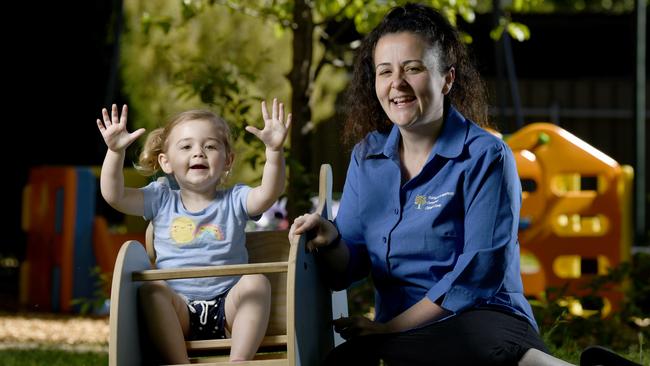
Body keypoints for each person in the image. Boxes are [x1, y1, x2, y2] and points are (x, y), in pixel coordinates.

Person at [289, 4, 577, 366]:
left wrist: (390, 329)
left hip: (482, 321)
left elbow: (477, 275)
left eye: (413, 68)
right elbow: (350, 267)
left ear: (447, 78)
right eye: (385, 71)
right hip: (400, 335)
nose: (397, 83)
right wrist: (330, 238)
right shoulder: (368, 157)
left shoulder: (486, 156)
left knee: (464, 348)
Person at [96, 99, 291, 364]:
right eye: (186, 146)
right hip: (179, 311)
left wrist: (274, 151)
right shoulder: (161, 199)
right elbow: (114, 195)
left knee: (256, 282)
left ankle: (240, 361)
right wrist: (115, 153)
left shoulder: (235, 199)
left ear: (227, 161)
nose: (198, 152)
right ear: (166, 162)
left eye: (210, 146)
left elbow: (268, 194)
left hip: (229, 309)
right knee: (151, 290)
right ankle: (180, 363)